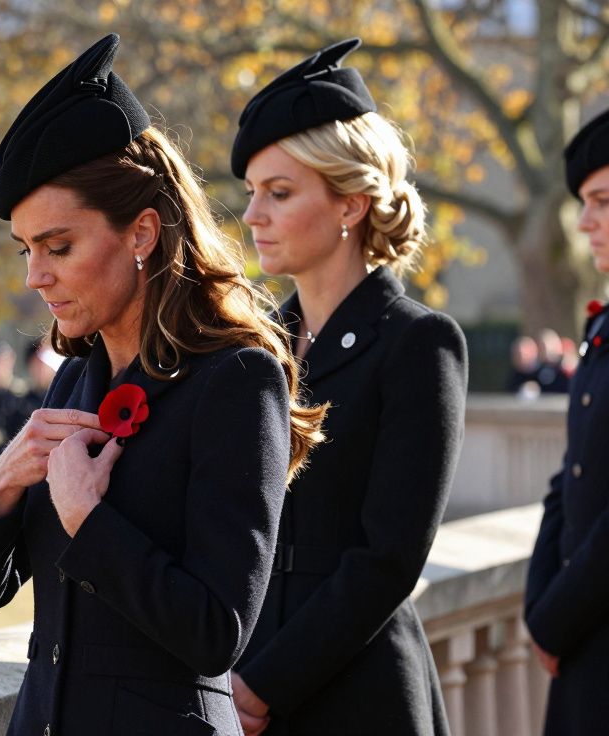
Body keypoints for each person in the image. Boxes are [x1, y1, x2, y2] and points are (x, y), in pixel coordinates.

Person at [0, 34, 325, 735]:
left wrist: (89, 520)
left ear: (142, 233)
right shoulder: (73, 380)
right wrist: (2, 482)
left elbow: (218, 631)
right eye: (27, 250)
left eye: (58, 246)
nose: (35, 275)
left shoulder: (237, 379)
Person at [229, 38, 468, 735]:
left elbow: (389, 559)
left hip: (358, 695)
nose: (253, 215)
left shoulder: (418, 342)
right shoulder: (253, 347)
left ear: (351, 205)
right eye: (252, 193)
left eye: (279, 193)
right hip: (241, 674)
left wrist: (262, 687)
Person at [524, 104, 609, 735]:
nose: (584, 222)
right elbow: (572, 475)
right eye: (584, 203)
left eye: (602, 202)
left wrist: (555, 618)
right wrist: (539, 604)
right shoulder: (601, 324)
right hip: (584, 642)